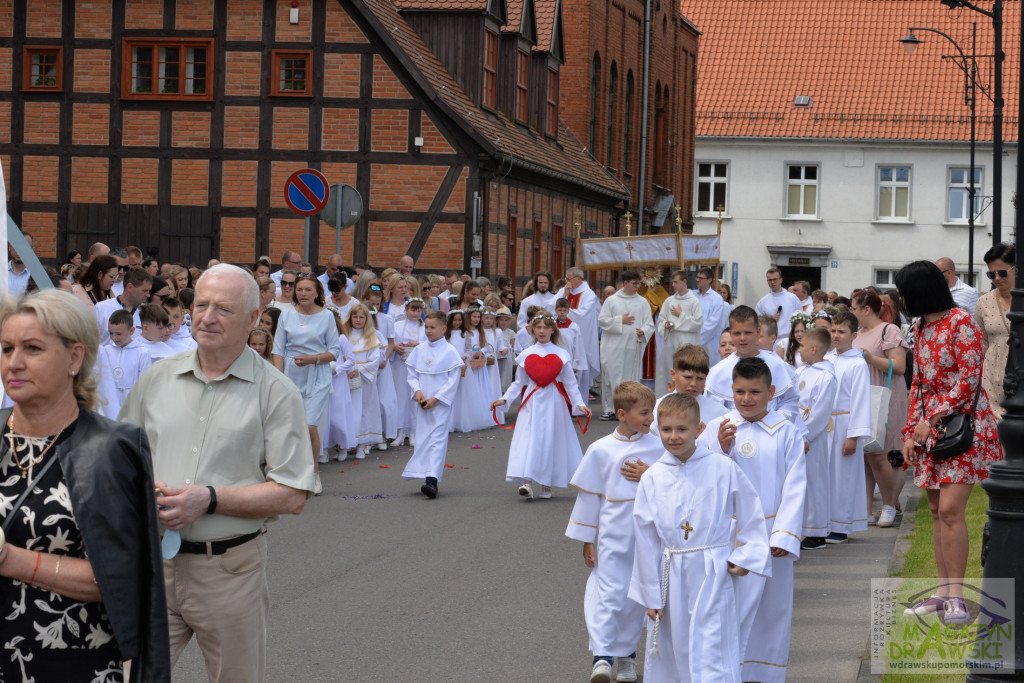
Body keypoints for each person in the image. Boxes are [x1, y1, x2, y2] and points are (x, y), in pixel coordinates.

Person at [118, 264, 314, 681]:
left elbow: (292, 494)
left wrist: (208, 498)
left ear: (254, 319)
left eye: (223, 309)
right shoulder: (156, 380)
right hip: (154, 568)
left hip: (229, 572)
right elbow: (120, 464)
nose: (206, 317)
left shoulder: (276, 393)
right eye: (201, 304)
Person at [0, 289, 170, 681]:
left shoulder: (112, 448)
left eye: (33, 348)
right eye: (7, 348)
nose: (15, 362)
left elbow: (122, 578)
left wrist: (10, 559)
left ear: (75, 357)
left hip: (72, 661)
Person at [629, 392, 770, 683]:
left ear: (699, 429)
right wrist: (650, 593)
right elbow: (645, 538)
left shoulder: (722, 467)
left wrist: (747, 556)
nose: (674, 437)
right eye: (666, 430)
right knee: (676, 649)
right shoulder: (653, 476)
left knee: (712, 646)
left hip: (713, 569)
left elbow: (751, 513)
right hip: (671, 576)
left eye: (682, 429)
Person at [897, 260, 1001, 623]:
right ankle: (941, 594)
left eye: (904, 292)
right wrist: (911, 432)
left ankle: (957, 596)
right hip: (931, 431)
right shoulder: (920, 327)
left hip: (963, 430)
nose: (901, 298)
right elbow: (918, 385)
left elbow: (969, 380)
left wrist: (931, 419)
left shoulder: (962, 323)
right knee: (937, 514)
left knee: (951, 512)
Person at [699, 357, 806, 683]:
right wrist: (718, 450)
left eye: (755, 392)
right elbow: (701, 476)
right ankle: (726, 671)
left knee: (770, 610)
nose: (746, 399)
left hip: (770, 532)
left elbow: (795, 484)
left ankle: (764, 673)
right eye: (740, 392)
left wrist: (784, 535)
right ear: (731, 390)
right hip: (728, 534)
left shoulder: (786, 432)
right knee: (726, 606)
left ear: (771, 392)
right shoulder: (719, 427)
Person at [566, 382, 661, 683]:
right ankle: (602, 657)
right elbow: (589, 496)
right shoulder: (601, 449)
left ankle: (628, 658)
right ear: (622, 414)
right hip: (611, 537)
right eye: (644, 413)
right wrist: (586, 541)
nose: (650, 419)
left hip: (646, 537)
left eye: (651, 413)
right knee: (607, 594)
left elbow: (674, 484)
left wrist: (650, 475)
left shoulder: (658, 446)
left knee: (636, 597)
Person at [492, 312, 592, 499]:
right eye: (538, 327)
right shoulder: (527, 354)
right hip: (532, 401)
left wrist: (579, 404)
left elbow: (570, 383)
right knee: (531, 439)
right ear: (532, 329)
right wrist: (505, 399)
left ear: (553, 330)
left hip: (554, 403)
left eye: (546, 327)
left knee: (550, 439)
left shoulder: (561, 354)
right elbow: (518, 383)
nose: (542, 331)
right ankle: (528, 482)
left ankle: (547, 483)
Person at [272, 275, 341, 493]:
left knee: (310, 426)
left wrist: (313, 359)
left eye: (307, 290)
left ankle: (314, 474)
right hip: (292, 374)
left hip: (317, 373)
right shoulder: (286, 315)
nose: (302, 293)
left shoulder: (327, 316)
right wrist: (279, 376)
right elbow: (278, 349)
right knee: (292, 426)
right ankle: (291, 471)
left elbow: (335, 351)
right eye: (299, 290)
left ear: (317, 292)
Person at [852, 289, 909, 527]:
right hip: (862, 397)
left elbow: (899, 366)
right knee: (864, 456)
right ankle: (863, 508)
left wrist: (869, 359)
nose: (852, 312)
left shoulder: (889, 330)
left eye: (854, 308)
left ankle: (889, 504)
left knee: (882, 454)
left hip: (884, 397)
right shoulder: (858, 333)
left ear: (867, 309)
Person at [705, 306, 802, 431]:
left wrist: (776, 422)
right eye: (737, 333)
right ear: (730, 334)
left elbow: (789, 401)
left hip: (772, 432)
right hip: (734, 434)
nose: (742, 338)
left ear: (758, 332)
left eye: (748, 333)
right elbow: (714, 411)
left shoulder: (777, 365)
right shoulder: (718, 371)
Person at [401, 310, 464, 498]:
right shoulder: (420, 350)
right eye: (426, 327)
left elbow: (453, 380)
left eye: (432, 327)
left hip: (440, 403)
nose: (428, 331)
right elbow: (412, 374)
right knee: (423, 438)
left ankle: (432, 481)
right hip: (422, 401)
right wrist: (417, 391)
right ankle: (422, 473)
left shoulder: (450, 351)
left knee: (437, 439)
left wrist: (436, 398)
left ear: (444, 329)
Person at [824, 311, 872, 544]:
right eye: (833, 331)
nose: (836, 336)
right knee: (825, 476)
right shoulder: (827, 359)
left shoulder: (857, 363)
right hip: (824, 426)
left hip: (844, 425)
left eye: (841, 332)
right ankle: (824, 521)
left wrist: (853, 436)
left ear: (853, 335)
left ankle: (841, 525)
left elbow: (860, 400)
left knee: (842, 477)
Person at [794, 327, 838, 550]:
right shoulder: (802, 371)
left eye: (802, 345)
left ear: (813, 348)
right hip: (797, 435)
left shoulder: (825, 376)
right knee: (800, 482)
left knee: (815, 482)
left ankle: (817, 531)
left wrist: (805, 435)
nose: (798, 349)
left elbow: (820, 412)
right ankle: (801, 529)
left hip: (813, 438)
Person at [597, 271, 654, 420]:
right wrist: (619, 320)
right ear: (625, 283)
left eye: (638, 283)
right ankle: (610, 409)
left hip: (631, 347)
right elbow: (602, 320)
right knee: (611, 376)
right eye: (634, 283)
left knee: (629, 378)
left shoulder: (642, 302)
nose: (637, 287)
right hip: (612, 347)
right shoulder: (612, 301)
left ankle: (628, 408)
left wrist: (644, 331)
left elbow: (649, 323)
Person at [975, 242, 1015, 419]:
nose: (997, 278)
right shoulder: (984, 302)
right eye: (991, 274)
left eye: (1002, 272)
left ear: (1016, 269)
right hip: (991, 376)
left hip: (1019, 373)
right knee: (994, 430)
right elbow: (980, 341)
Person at [651, 344, 728, 434]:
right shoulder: (655, 408)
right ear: (673, 374)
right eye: (687, 377)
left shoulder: (719, 413)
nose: (693, 384)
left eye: (700, 378)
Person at [344, 303, 385, 460]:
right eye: (355, 316)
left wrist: (359, 370)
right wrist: (346, 369)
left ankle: (362, 444)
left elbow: (375, 359)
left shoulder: (372, 337)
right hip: (347, 377)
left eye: (362, 317)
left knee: (364, 410)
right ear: (350, 317)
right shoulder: (344, 334)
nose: (358, 320)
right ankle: (347, 443)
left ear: (367, 319)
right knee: (349, 410)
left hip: (364, 380)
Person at [96, 308, 153, 419]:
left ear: (131, 331)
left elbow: (145, 382)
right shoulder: (105, 350)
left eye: (119, 334)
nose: (114, 338)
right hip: (109, 401)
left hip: (131, 402)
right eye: (111, 333)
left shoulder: (142, 352)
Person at [655, 270, 703, 396]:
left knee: (685, 372)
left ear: (684, 282)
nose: (673, 285)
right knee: (668, 372)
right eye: (673, 282)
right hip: (670, 343)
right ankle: (666, 399)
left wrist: (680, 316)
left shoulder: (694, 301)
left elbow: (697, 323)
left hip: (687, 344)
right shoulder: (669, 301)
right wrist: (666, 325)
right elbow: (661, 320)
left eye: (676, 282)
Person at [556, 267, 601, 398]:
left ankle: (579, 404)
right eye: (566, 279)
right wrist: (564, 295)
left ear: (578, 279)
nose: (566, 282)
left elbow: (583, 315)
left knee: (581, 366)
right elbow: (553, 307)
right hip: (562, 338)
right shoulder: (563, 291)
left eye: (568, 279)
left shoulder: (588, 294)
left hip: (582, 338)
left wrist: (564, 314)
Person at [391, 297, 427, 446]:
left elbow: (430, 343)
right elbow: (390, 341)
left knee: (414, 398)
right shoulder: (397, 325)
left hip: (417, 367)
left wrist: (418, 343)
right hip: (401, 366)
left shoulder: (425, 327)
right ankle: (399, 431)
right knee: (400, 397)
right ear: (406, 310)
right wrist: (395, 347)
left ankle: (414, 431)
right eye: (413, 309)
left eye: (419, 310)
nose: (416, 313)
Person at [94, 268, 153, 345]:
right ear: (130, 287)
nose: (148, 295)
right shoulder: (101, 308)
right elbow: (90, 341)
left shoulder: (148, 313)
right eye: (144, 290)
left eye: (149, 291)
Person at [755, 268, 803, 339]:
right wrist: (770, 320)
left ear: (781, 280)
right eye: (770, 280)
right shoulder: (763, 301)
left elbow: (800, 318)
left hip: (789, 338)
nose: (772, 282)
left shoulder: (792, 298)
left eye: (775, 279)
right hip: (771, 339)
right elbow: (757, 321)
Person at [695, 266, 727, 368]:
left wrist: (696, 339)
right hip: (692, 339)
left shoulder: (717, 299)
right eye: (697, 277)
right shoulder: (692, 295)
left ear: (709, 280)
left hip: (709, 342)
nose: (698, 280)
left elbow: (712, 324)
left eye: (701, 278)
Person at [7, 232, 34, 296]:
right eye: (16, 246)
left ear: (31, 250)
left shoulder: (37, 276)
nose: (19, 251)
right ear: (9, 247)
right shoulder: (1, 272)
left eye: (24, 247)